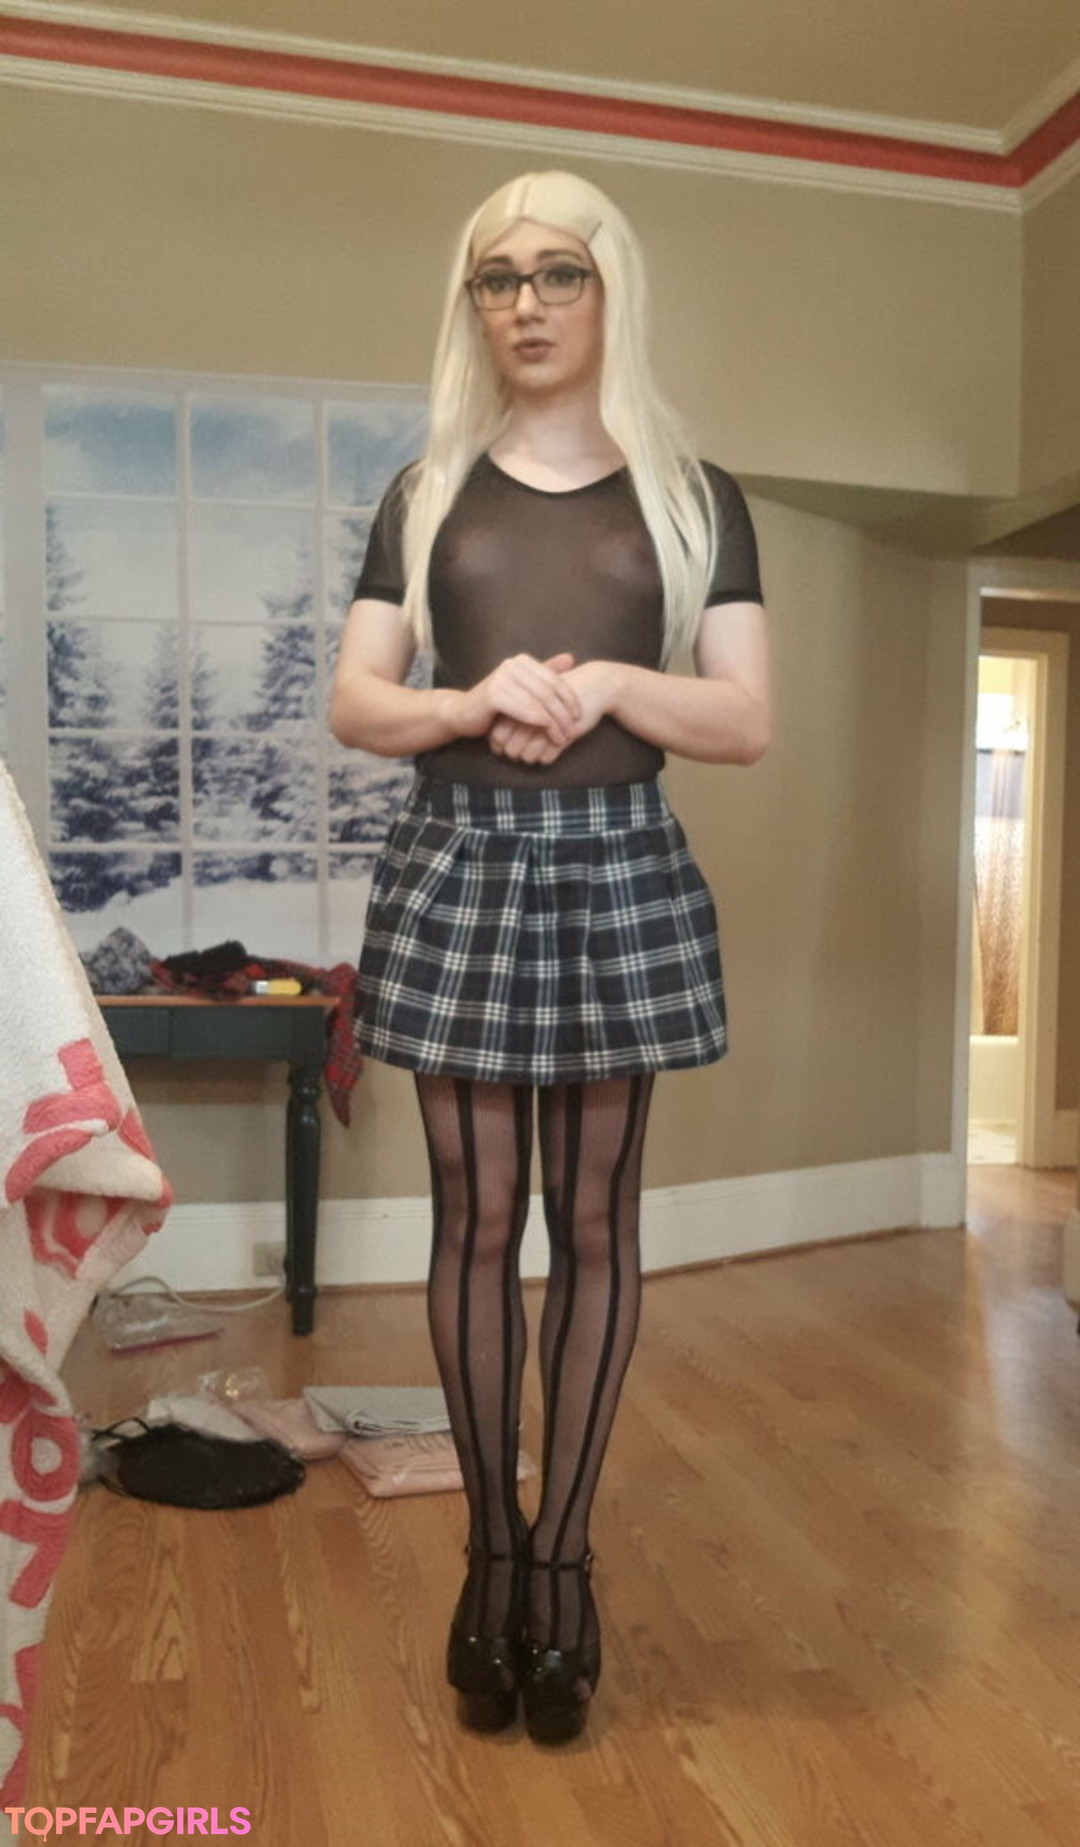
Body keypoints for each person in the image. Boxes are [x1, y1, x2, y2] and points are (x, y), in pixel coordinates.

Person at [329, 169, 771, 1744]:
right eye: (497, 277)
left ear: (609, 289)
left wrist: (612, 689)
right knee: (475, 1220)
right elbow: (356, 701)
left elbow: (746, 718)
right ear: (474, 304)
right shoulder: (426, 492)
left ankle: (564, 1564)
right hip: (459, 861)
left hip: (619, 867)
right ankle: (490, 1559)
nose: (525, 302)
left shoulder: (696, 497)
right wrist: (469, 699)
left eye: (558, 273)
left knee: (591, 1221)